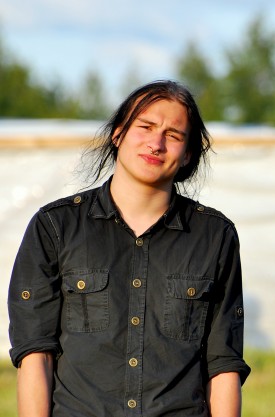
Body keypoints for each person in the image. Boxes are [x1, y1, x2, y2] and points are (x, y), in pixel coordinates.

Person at [8, 80, 250, 417]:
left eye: (173, 135)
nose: (156, 144)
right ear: (118, 133)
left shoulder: (214, 236)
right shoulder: (55, 227)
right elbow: (36, 354)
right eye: (145, 127)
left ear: (188, 154)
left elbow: (223, 364)